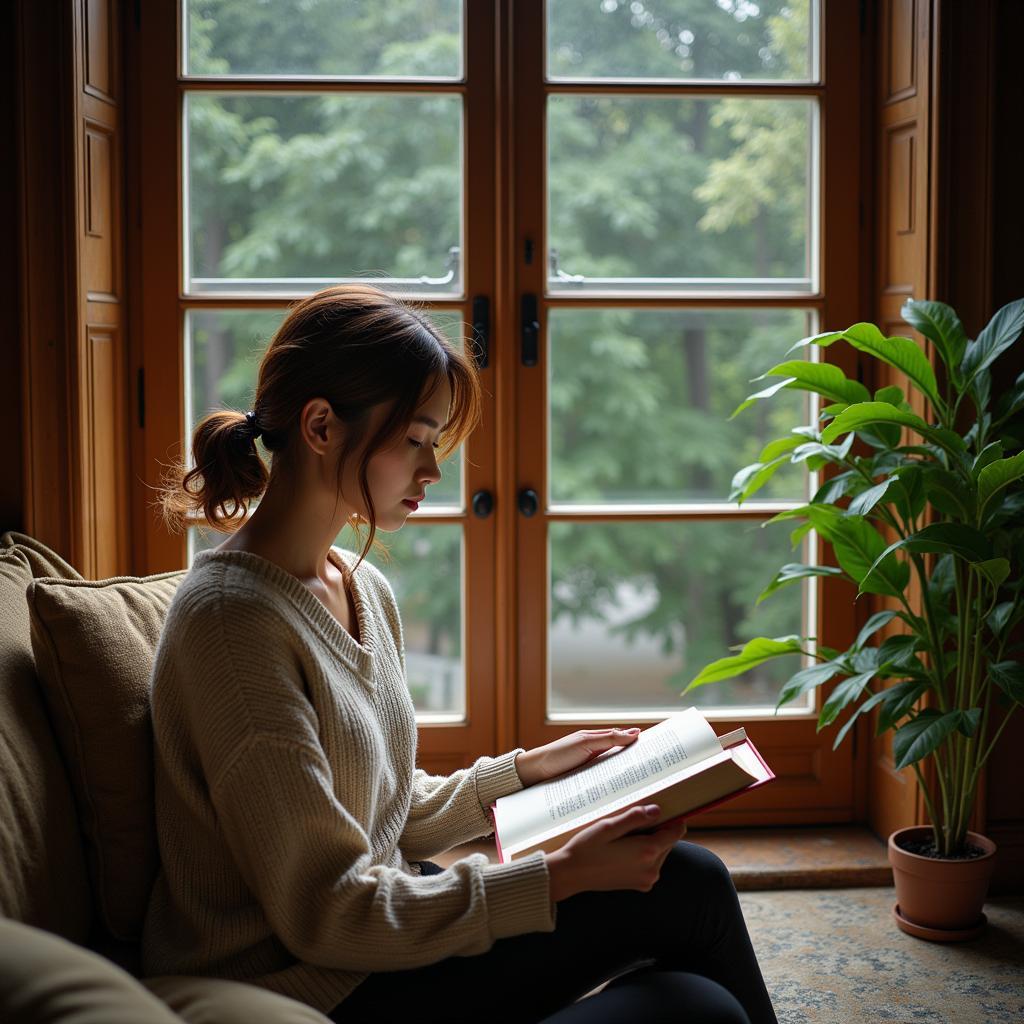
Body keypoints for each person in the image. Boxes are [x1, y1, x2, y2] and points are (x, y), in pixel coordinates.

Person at [143, 284, 778, 1024]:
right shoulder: (232, 623)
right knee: (697, 1009)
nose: (433, 470)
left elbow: (388, 813)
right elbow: (326, 911)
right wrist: (559, 876)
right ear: (320, 425)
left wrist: (524, 772)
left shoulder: (359, 585)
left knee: (687, 880)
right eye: (415, 439)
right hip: (313, 984)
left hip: (377, 946)